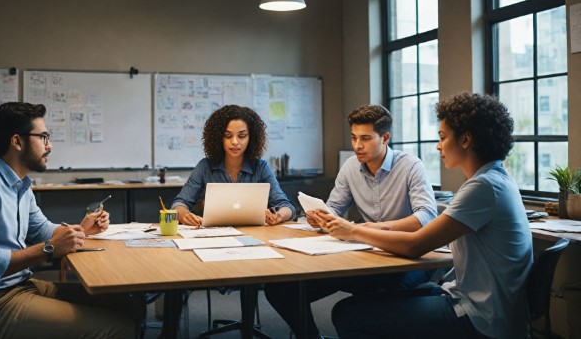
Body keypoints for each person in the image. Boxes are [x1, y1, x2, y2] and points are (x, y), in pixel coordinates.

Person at [317, 93, 533, 338]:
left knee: (347, 315)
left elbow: (415, 245)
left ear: (466, 140)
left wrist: (354, 231)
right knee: (349, 307)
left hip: (481, 317)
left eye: (442, 137)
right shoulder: (495, 179)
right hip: (469, 297)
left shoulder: (483, 187)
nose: (438, 146)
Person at [0, 102, 144, 338]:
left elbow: (41, 229)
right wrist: (49, 249)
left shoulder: (20, 185)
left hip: (19, 286)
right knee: (118, 328)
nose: (49, 146)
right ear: (17, 142)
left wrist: (82, 229)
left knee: (128, 304)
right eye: (43, 137)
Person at [264, 104, 438, 338]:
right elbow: (335, 207)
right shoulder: (350, 166)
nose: (357, 146)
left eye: (365, 139)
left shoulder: (410, 166)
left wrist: (369, 228)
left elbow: (426, 217)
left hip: (407, 258)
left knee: (372, 294)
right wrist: (321, 218)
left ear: (385, 137)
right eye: (354, 137)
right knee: (281, 289)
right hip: (366, 254)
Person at [172, 104, 296, 226]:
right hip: (213, 236)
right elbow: (180, 203)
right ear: (219, 138)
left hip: (255, 235)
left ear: (251, 138)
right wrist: (184, 215)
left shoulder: (261, 167)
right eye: (228, 136)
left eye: (242, 136)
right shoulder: (205, 167)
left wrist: (278, 216)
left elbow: (287, 207)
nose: (235, 142)